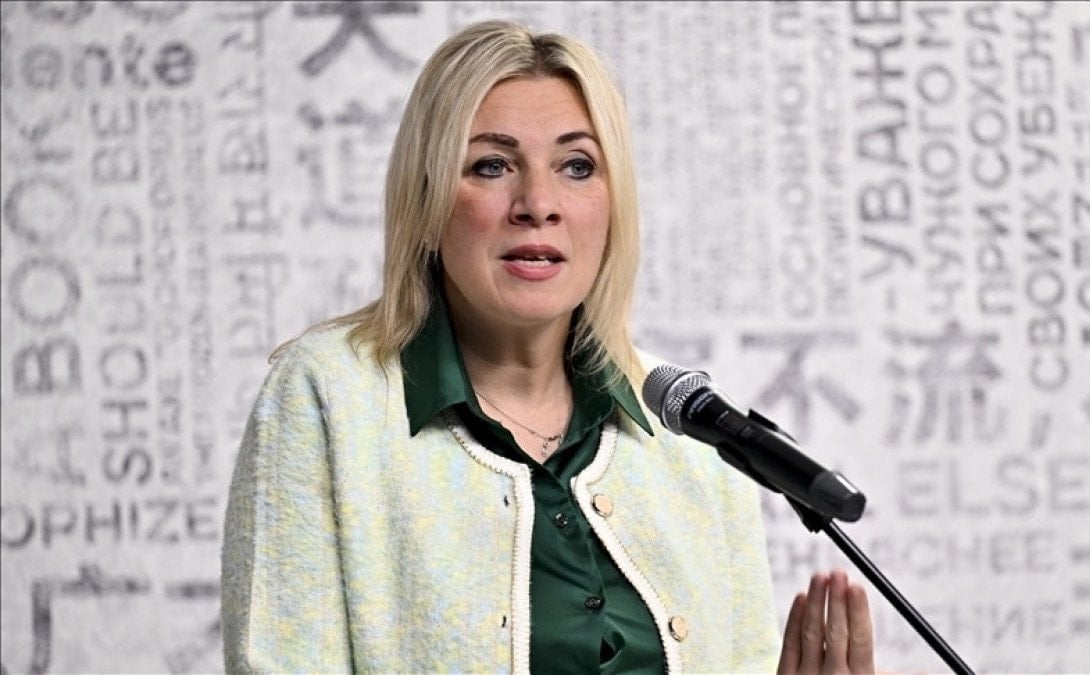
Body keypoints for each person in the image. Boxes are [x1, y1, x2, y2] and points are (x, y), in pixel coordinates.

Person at [221, 19, 875, 674]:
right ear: (426, 197)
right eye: (492, 165)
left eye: (577, 167)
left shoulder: (691, 434)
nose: (538, 203)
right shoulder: (327, 397)